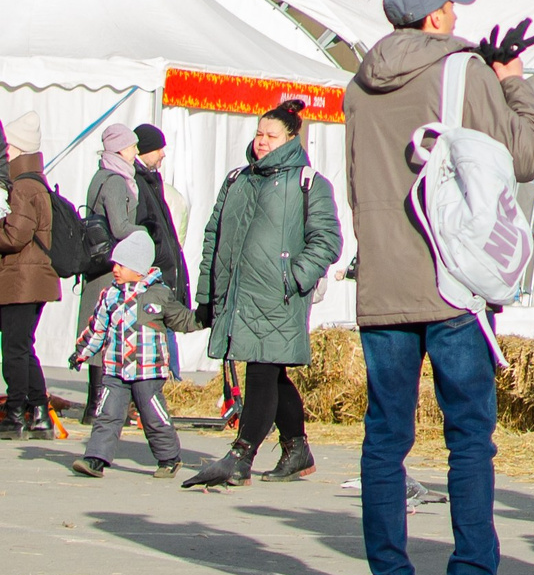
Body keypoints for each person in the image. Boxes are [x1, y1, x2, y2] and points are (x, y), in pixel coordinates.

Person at [349, 0, 534, 575]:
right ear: (434, 17)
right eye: (451, 11)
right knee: (468, 439)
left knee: (384, 440)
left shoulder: (358, 83)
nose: (457, 20)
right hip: (450, 280)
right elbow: (520, 156)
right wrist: (513, 82)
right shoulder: (465, 73)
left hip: (382, 281)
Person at [182, 102, 343, 489]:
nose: (261, 143)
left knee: (261, 369)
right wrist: (208, 293)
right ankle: (296, 448)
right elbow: (213, 235)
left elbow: (328, 240)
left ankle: (241, 456)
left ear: (291, 139)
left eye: (271, 136)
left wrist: (292, 277)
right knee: (271, 370)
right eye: (258, 134)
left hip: (278, 294)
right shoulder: (237, 179)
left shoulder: (308, 182)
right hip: (240, 292)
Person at [69, 232, 191, 477]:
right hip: (115, 370)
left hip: (148, 371)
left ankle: (169, 458)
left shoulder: (158, 294)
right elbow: (98, 328)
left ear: (138, 269)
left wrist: (205, 317)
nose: (115, 269)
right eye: (115, 264)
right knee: (108, 414)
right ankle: (95, 458)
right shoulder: (110, 295)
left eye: (121, 265)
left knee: (152, 415)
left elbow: (182, 319)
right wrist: (81, 352)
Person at [1, 117, 61, 441]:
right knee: (24, 347)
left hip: (20, 280)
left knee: (13, 349)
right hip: (32, 278)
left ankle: (14, 414)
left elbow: (15, 235)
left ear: (16, 148)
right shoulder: (35, 181)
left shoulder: (22, 186)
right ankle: (38, 412)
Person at [80, 124, 145, 418]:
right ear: (120, 149)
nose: (136, 152)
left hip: (97, 264)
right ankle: (97, 406)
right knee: (104, 329)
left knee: (97, 325)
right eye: (132, 146)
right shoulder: (117, 181)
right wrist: (144, 231)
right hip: (111, 265)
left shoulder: (100, 174)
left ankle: (95, 404)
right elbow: (119, 227)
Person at [127, 124, 190, 307]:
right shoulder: (137, 182)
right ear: (144, 149)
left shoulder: (150, 181)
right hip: (152, 279)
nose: (163, 153)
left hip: (160, 275)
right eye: (158, 148)